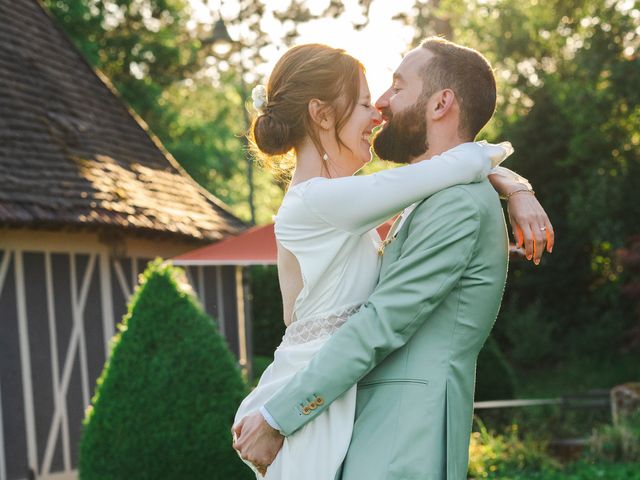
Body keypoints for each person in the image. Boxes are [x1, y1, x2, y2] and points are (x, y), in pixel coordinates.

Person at [233, 40, 553, 480]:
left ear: (441, 103)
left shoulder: (452, 203)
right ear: (322, 115)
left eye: (395, 88)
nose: (381, 106)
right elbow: (450, 168)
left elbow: (382, 320)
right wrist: (512, 183)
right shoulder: (336, 201)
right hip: (339, 410)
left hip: (403, 433)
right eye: (367, 101)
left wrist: (510, 183)